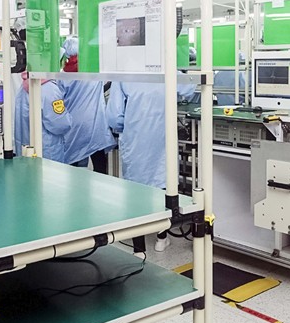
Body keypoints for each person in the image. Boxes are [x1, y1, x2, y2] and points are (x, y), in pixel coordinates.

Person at [107, 81, 179, 252]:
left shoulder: (123, 76)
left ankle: (139, 248)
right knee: (163, 187)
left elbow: (114, 117)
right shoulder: (165, 69)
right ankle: (161, 238)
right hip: (162, 139)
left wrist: (132, 125)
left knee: (134, 194)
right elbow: (189, 89)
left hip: (136, 141)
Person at [57, 38, 115, 171]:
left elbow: (58, 99)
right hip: (94, 124)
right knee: (99, 164)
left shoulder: (61, 76)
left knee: (73, 164)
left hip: (73, 125)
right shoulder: (93, 71)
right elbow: (105, 84)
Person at [14, 72, 74, 160]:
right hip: (47, 153)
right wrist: (68, 118)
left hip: (26, 151)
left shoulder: (24, 86)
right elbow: (60, 125)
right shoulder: (50, 90)